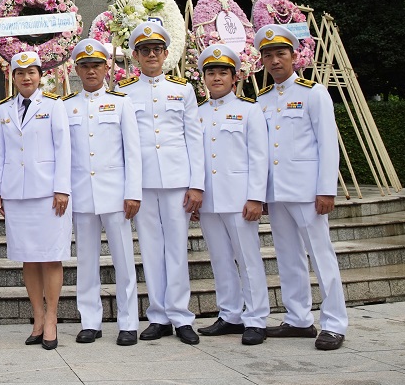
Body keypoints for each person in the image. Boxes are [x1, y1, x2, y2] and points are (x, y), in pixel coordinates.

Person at [255, 24, 348, 350]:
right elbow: (261, 151)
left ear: (295, 56)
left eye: (281, 54)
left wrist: (326, 189)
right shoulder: (262, 100)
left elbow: (327, 144)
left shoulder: (314, 93)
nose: (275, 61)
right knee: (288, 256)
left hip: (308, 191)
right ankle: (298, 318)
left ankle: (334, 322)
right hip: (277, 193)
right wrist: (260, 192)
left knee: (321, 255)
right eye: (268, 55)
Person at [118, 22, 203, 345]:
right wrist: (130, 187)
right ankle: (158, 315)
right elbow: (125, 145)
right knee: (151, 250)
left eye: (156, 50)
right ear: (136, 56)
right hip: (142, 183)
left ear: (166, 54)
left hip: (177, 180)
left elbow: (193, 140)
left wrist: (197, 185)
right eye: (144, 50)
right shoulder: (125, 92)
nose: (151, 55)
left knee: (177, 250)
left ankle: (181, 316)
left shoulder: (182, 90)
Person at [64, 39, 142, 346]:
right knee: (86, 260)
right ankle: (90, 321)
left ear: (106, 68)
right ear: (77, 70)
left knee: (123, 259)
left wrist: (133, 192)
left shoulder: (121, 103)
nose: (91, 71)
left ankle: (128, 322)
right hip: (81, 194)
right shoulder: (66, 106)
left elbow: (132, 152)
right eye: (85, 66)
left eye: (96, 65)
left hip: (115, 194)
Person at [0, 51, 71, 350]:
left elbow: (64, 148)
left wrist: (62, 188)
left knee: (51, 256)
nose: (27, 77)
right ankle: (37, 318)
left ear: (41, 75)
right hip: (17, 193)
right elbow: (1, 152)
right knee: (28, 257)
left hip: (48, 194)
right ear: (12, 77)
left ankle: (52, 317)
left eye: (32, 72)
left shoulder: (53, 105)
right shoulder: (4, 109)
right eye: (21, 73)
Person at [194, 45, 271, 346]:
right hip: (209, 200)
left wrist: (256, 197)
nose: (216, 77)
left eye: (222, 72)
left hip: (240, 199)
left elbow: (259, 157)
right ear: (203, 78)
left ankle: (256, 318)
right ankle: (230, 314)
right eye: (210, 72)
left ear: (234, 77)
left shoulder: (249, 110)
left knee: (248, 258)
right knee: (220, 259)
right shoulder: (197, 113)